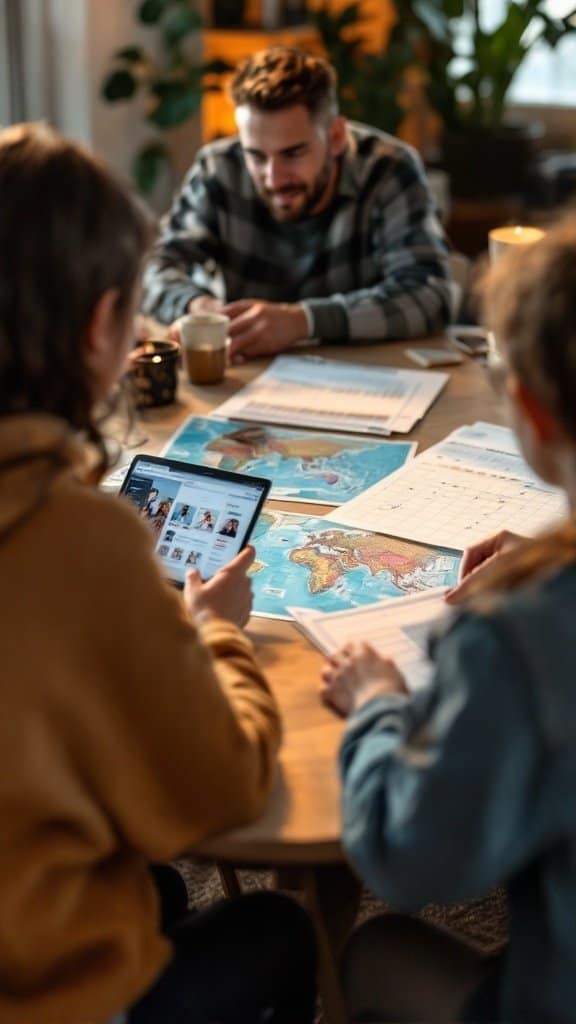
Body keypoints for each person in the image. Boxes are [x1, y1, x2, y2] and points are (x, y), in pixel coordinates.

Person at [0, 123, 316, 1024]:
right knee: (279, 929)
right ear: (103, 324)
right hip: (40, 994)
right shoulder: (79, 535)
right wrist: (215, 631)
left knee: (160, 889)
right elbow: (222, 787)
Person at [320, 218, 576, 1023]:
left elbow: (408, 859)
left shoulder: (519, 633)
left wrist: (376, 704)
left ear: (529, 410)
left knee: (374, 950)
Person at [142, 46, 451, 362]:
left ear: (336, 137)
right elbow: (153, 267)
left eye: (292, 154)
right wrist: (198, 307)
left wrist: (304, 322)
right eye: (256, 156)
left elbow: (430, 296)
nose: (274, 178)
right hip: (246, 375)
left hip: (371, 375)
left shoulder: (387, 170)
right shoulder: (218, 168)